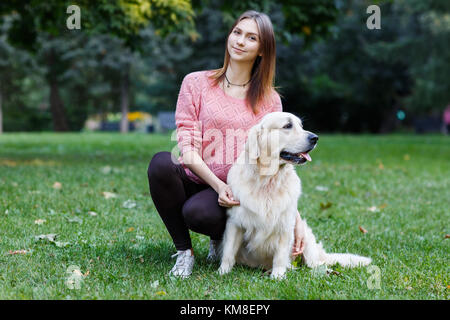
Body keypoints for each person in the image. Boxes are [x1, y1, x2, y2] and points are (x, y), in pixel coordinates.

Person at [147, 10, 305, 278]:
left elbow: (277, 162)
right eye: (237, 32)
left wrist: (295, 220)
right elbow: (186, 147)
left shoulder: (269, 101)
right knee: (161, 163)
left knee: (199, 214)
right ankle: (184, 252)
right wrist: (217, 184)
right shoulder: (195, 83)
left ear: (262, 50)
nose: (240, 41)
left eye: (251, 37)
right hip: (197, 176)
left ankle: (217, 240)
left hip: (236, 190)